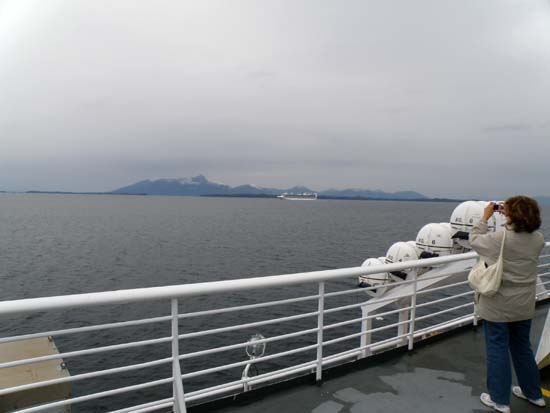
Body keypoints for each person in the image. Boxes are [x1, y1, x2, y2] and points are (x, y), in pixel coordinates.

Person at [469, 196, 546, 413]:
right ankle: (534, 394)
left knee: (497, 349)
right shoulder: (538, 239)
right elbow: (522, 235)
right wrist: (512, 216)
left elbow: (475, 239)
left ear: (511, 216)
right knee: (522, 348)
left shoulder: (498, 239)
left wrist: (485, 216)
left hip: (498, 306)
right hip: (523, 305)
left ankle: (500, 400)